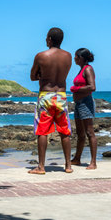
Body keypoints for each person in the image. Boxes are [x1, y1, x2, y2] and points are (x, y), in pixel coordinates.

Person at [29, 27, 73, 174]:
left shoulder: (41, 56)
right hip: (61, 96)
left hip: (45, 95)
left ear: (49, 39)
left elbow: (32, 76)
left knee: (42, 131)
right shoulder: (68, 56)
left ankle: (41, 167)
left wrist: (42, 75)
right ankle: (68, 166)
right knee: (64, 132)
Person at [70, 48, 97, 169]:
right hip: (78, 104)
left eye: (75, 56)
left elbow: (92, 87)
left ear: (80, 58)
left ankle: (93, 162)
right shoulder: (81, 70)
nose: (74, 58)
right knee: (80, 134)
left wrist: (76, 89)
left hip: (86, 103)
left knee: (89, 133)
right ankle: (77, 158)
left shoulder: (88, 69)